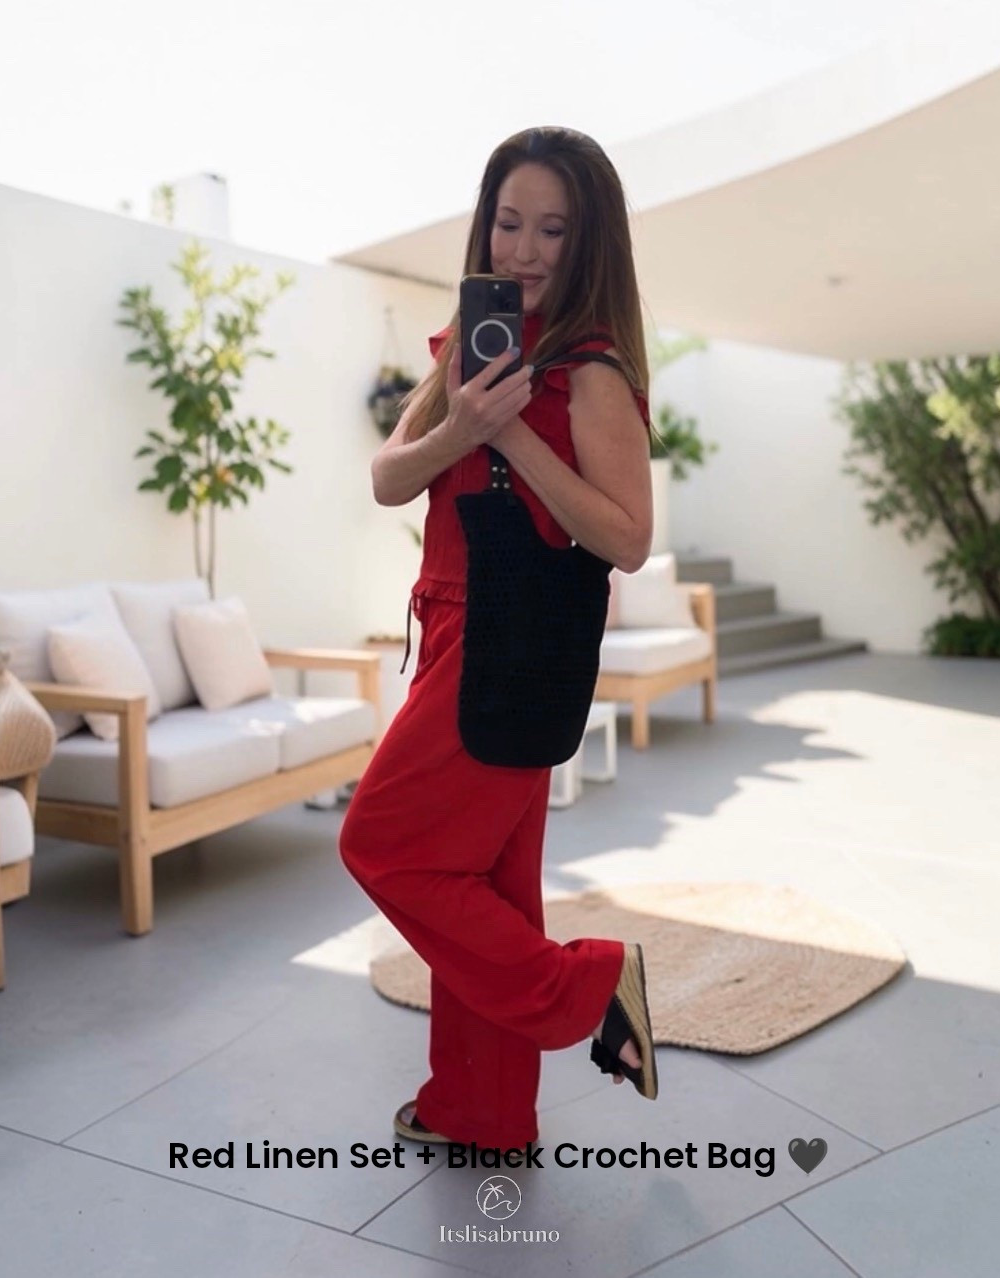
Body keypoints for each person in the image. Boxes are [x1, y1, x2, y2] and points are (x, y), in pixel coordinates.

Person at [339, 126, 659, 1152]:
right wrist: (465, 422)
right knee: (488, 886)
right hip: (449, 629)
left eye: (551, 231)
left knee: (381, 844)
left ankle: (590, 986)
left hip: (512, 639)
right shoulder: (468, 350)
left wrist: (513, 430)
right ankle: (480, 1112)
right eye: (508, 223)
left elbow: (628, 538)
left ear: (586, 242)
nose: (523, 250)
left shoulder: (589, 369)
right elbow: (388, 479)